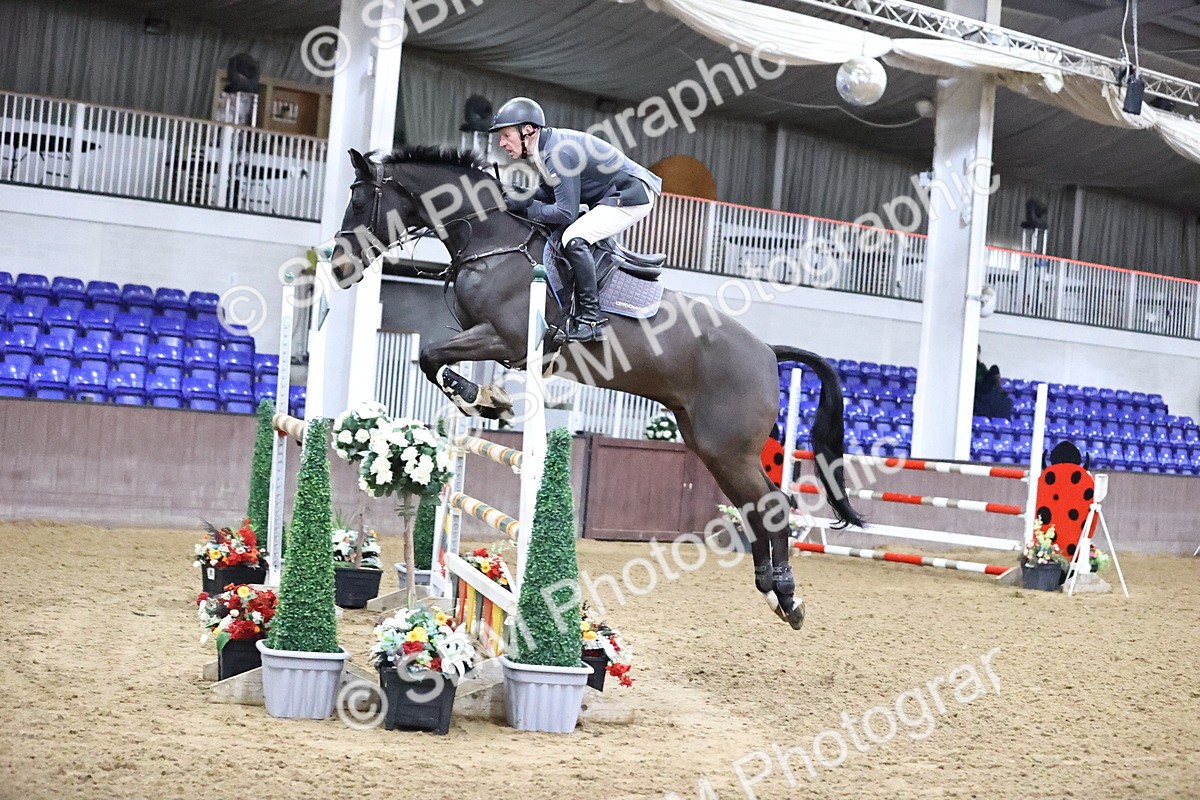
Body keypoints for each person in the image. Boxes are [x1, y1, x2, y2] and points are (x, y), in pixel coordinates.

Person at [490, 97, 662, 343]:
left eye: (506, 135)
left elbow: (565, 213)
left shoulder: (557, 153)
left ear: (527, 129)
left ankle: (591, 320)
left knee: (573, 237)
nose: (502, 143)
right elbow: (548, 192)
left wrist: (528, 209)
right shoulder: (544, 148)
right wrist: (519, 194)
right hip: (611, 194)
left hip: (631, 195)